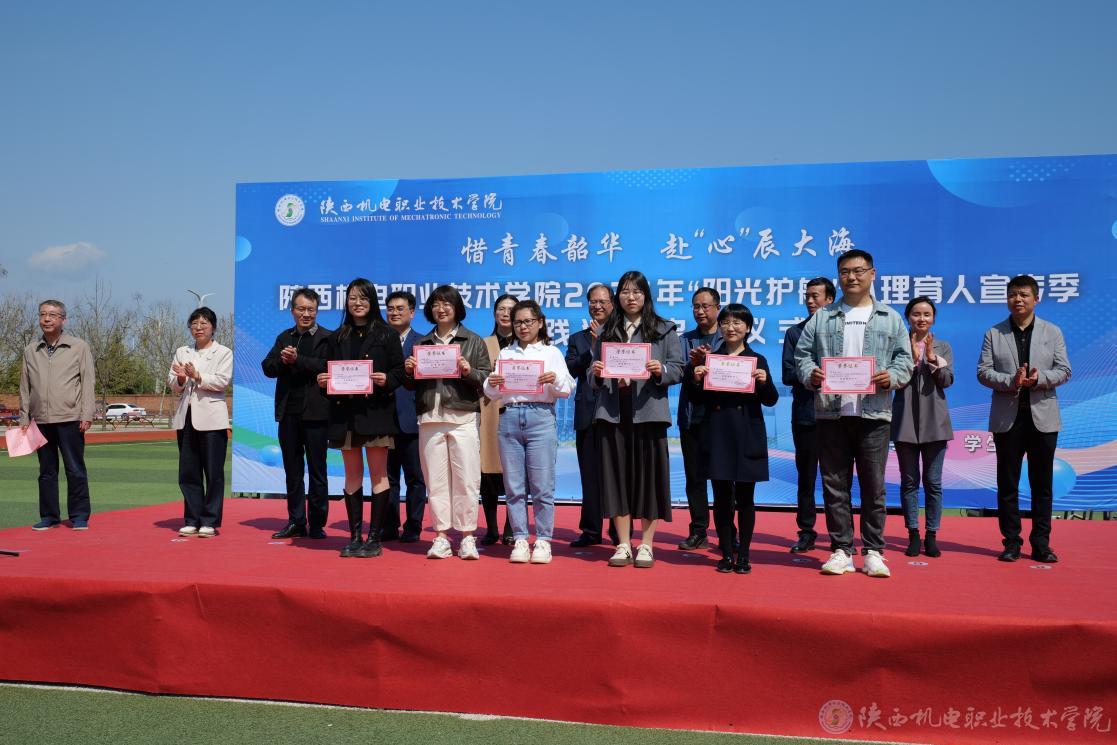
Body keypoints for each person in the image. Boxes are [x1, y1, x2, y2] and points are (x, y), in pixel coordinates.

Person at [795, 249, 913, 578]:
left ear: (872, 274)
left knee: (874, 485)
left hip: (874, 413)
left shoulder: (890, 317)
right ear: (839, 276)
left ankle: (873, 551)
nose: (852, 277)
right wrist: (811, 374)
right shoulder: (822, 317)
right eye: (845, 271)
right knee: (834, 484)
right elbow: (802, 356)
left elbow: (905, 359)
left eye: (859, 271)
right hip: (831, 413)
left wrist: (892, 376)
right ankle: (841, 550)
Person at [591, 270, 683, 568]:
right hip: (614, 413)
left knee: (649, 479)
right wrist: (598, 373)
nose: (631, 297)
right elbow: (592, 372)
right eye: (625, 292)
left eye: (637, 292)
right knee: (616, 478)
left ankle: (646, 544)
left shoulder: (664, 329)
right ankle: (622, 544)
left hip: (649, 413)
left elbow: (677, 368)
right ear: (618, 296)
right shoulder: (607, 331)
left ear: (646, 296)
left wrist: (660, 371)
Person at [977, 275, 1071, 563]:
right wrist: (1012, 381)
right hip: (1008, 420)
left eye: (1024, 294)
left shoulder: (1052, 332)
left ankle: (1041, 544)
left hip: (1043, 418)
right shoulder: (994, 333)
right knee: (1007, 484)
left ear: (1036, 299)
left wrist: (1038, 379)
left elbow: (1064, 370)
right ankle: (1011, 542)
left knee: (1042, 485)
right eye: (1012, 295)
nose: (1017, 299)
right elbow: (983, 372)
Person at [687, 304, 778, 574]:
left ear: (748, 328)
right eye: (726, 322)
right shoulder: (711, 359)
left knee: (746, 499)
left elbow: (771, 400)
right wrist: (696, 378)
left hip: (747, 433)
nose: (731, 327)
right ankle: (726, 553)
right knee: (722, 498)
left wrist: (764, 381)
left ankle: (744, 555)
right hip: (718, 434)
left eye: (737, 322)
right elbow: (697, 399)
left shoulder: (757, 359)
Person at [317, 278, 405, 558]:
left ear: (372, 302)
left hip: (376, 414)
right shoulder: (337, 337)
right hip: (345, 416)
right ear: (346, 302)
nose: (358, 303)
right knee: (352, 474)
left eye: (363, 298)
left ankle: (374, 538)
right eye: (353, 298)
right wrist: (324, 382)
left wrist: (386, 379)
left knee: (379, 474)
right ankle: (355, 537)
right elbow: (329, 373)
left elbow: (400, 371)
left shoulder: (387, 334)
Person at [403, 285, 492, 560]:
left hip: (462, 416)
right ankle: (441, 536)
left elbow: (486, 379)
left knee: (467, 479)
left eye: (447, 304)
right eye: (436, 304)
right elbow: (410, 385)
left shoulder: (473, 340)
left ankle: (467, 537)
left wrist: (468, 370)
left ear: (457, 308)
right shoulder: (423, 344)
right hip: (430, 416)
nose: (441, 309)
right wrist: (409, 371)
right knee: (436, 481)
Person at [483, 300, 574, 563]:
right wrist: (492, 382)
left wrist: (554, 379)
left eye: (528, 321)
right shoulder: (506, 354)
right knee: (514, 487)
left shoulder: (551, 352)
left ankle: (543, 540)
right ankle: (520, 539)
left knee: (542, 486)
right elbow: (491, 393)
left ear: (540, 322)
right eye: (518, 322)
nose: (523, 327)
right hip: (510, 417)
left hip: (540, 416)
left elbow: (567, 388)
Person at [261, 287, 332, 540]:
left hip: (317, 414)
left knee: (317, 471)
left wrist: (298, 360)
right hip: (289, 413)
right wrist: (283, 360)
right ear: (292, 311)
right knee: (293, 471)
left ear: (317, 311)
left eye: (311, 309)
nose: (306, 314)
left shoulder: (327, 338)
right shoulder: (284, 337)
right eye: (301, 309)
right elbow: (267, 367)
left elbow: (328, 366)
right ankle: (296, 521)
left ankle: (317, 524)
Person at [20, 299, 95, 530]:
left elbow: (88, 381)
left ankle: (79, 515)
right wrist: (24, 417)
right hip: (40, 420)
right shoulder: (30, 350)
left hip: (70, 418)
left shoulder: (78, 347)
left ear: (63, 319)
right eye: (43, 314)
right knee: (46, 471)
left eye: (52, 315)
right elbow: (25, 386)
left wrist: (87, 413)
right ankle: (49, 516)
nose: (47, 319)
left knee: (75, 469)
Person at [892, 296, 954, 558]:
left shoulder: (942, 346)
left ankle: (931, 535)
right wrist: (910, 358)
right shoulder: (897, 345)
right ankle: (913, 534)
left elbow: (947, 380)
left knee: (933, 482)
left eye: (927, 314)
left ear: (933, 318)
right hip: (905, 420)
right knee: (909, 482)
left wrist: (930, 358)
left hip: (935, 422)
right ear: (908, 317)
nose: (921, 319)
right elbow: (892, 380)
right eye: (916, 314)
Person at [780, 277, 835, 553]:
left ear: (830, 300)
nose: (810, 301)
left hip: (838, 414)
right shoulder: (795, 333)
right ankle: (806, 531)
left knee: (837, 478)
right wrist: (811, 375)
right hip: (806, 414)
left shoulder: (842, 333)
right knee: (806, 477)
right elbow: (788, 373)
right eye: (808, 296)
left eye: (816, 296)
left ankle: (841, 535)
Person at [170, 307, 233, 537]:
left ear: (213, 327)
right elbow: (173, 384)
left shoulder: (223, 352)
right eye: (194, 324)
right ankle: (192, 518)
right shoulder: (182, 351)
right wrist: (180, 378)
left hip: (212, 419)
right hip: (186, 417)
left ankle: (209, 520)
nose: (198, 328)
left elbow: (222, 381)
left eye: (204, 323)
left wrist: (197, 376)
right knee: (188, 472)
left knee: (213, 472)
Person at [565, 283, 619, 547]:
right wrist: (592, 348)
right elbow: (571, 369)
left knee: (618, 474)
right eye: (592, 302)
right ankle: (590, 530)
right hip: (587, 413)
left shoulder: (622, 335)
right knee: (590, 474)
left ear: (612, 304)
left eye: (602, 301)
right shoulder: (578, 339)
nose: (597, 306)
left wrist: (605, 342)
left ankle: (619, 530)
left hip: (617, 412)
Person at [676, 287, 722, 551]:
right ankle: (698, 531)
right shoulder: (685, 340)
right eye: (696, 306)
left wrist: (711, 362)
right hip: (692, 417)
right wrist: (693, 366)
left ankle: (728, 532)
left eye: (705, 306)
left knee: (724, 479)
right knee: (694, 478)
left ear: (717, 308)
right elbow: (676, 373)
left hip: (721, 420)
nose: (700, 311)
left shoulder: (727, 337)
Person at [381, 290, 427, 543]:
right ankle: (389, 525)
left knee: (415, 478)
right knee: (387, 478)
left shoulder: (424, 343)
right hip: (383, 420)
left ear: (412, 312)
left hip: (412, 418)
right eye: (390, 308)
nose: (395, 313)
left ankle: (413, 526)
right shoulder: (378, 342)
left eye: (400, 308)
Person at [479, 294, 517, 545]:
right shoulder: (483, 343)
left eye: (510, 309)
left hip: (517, 411)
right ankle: (491, 529)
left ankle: (511, 527)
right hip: (489, 411)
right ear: (494, 314)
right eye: (501, 309)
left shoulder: (527, 345)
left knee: (516, 473)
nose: (505, 313)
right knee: (488, 473)